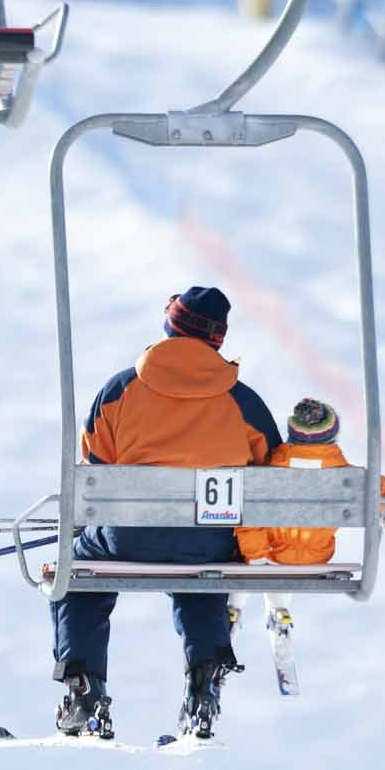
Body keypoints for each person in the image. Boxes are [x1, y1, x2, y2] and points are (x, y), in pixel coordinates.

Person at [49, 286, 281, 741]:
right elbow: (273, 471)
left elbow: (93, 469)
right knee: (203, 579)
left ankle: (85, 691)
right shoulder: (243, 402)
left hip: (126, 537)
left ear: (170, 325)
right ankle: (204, 683)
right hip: (208, 538)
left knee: (76, 575)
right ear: (217, 339)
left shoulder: (119, 391)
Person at [229, 398, 385, 635]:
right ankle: (279, 610)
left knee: (253, 550)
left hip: (268, 554)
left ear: (293, 434)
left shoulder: (269, 470)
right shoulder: (349, 478)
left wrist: (257, 554)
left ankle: (233, 608)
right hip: (316, 557)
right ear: (332, 437)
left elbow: (247, 513)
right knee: (286, 559)